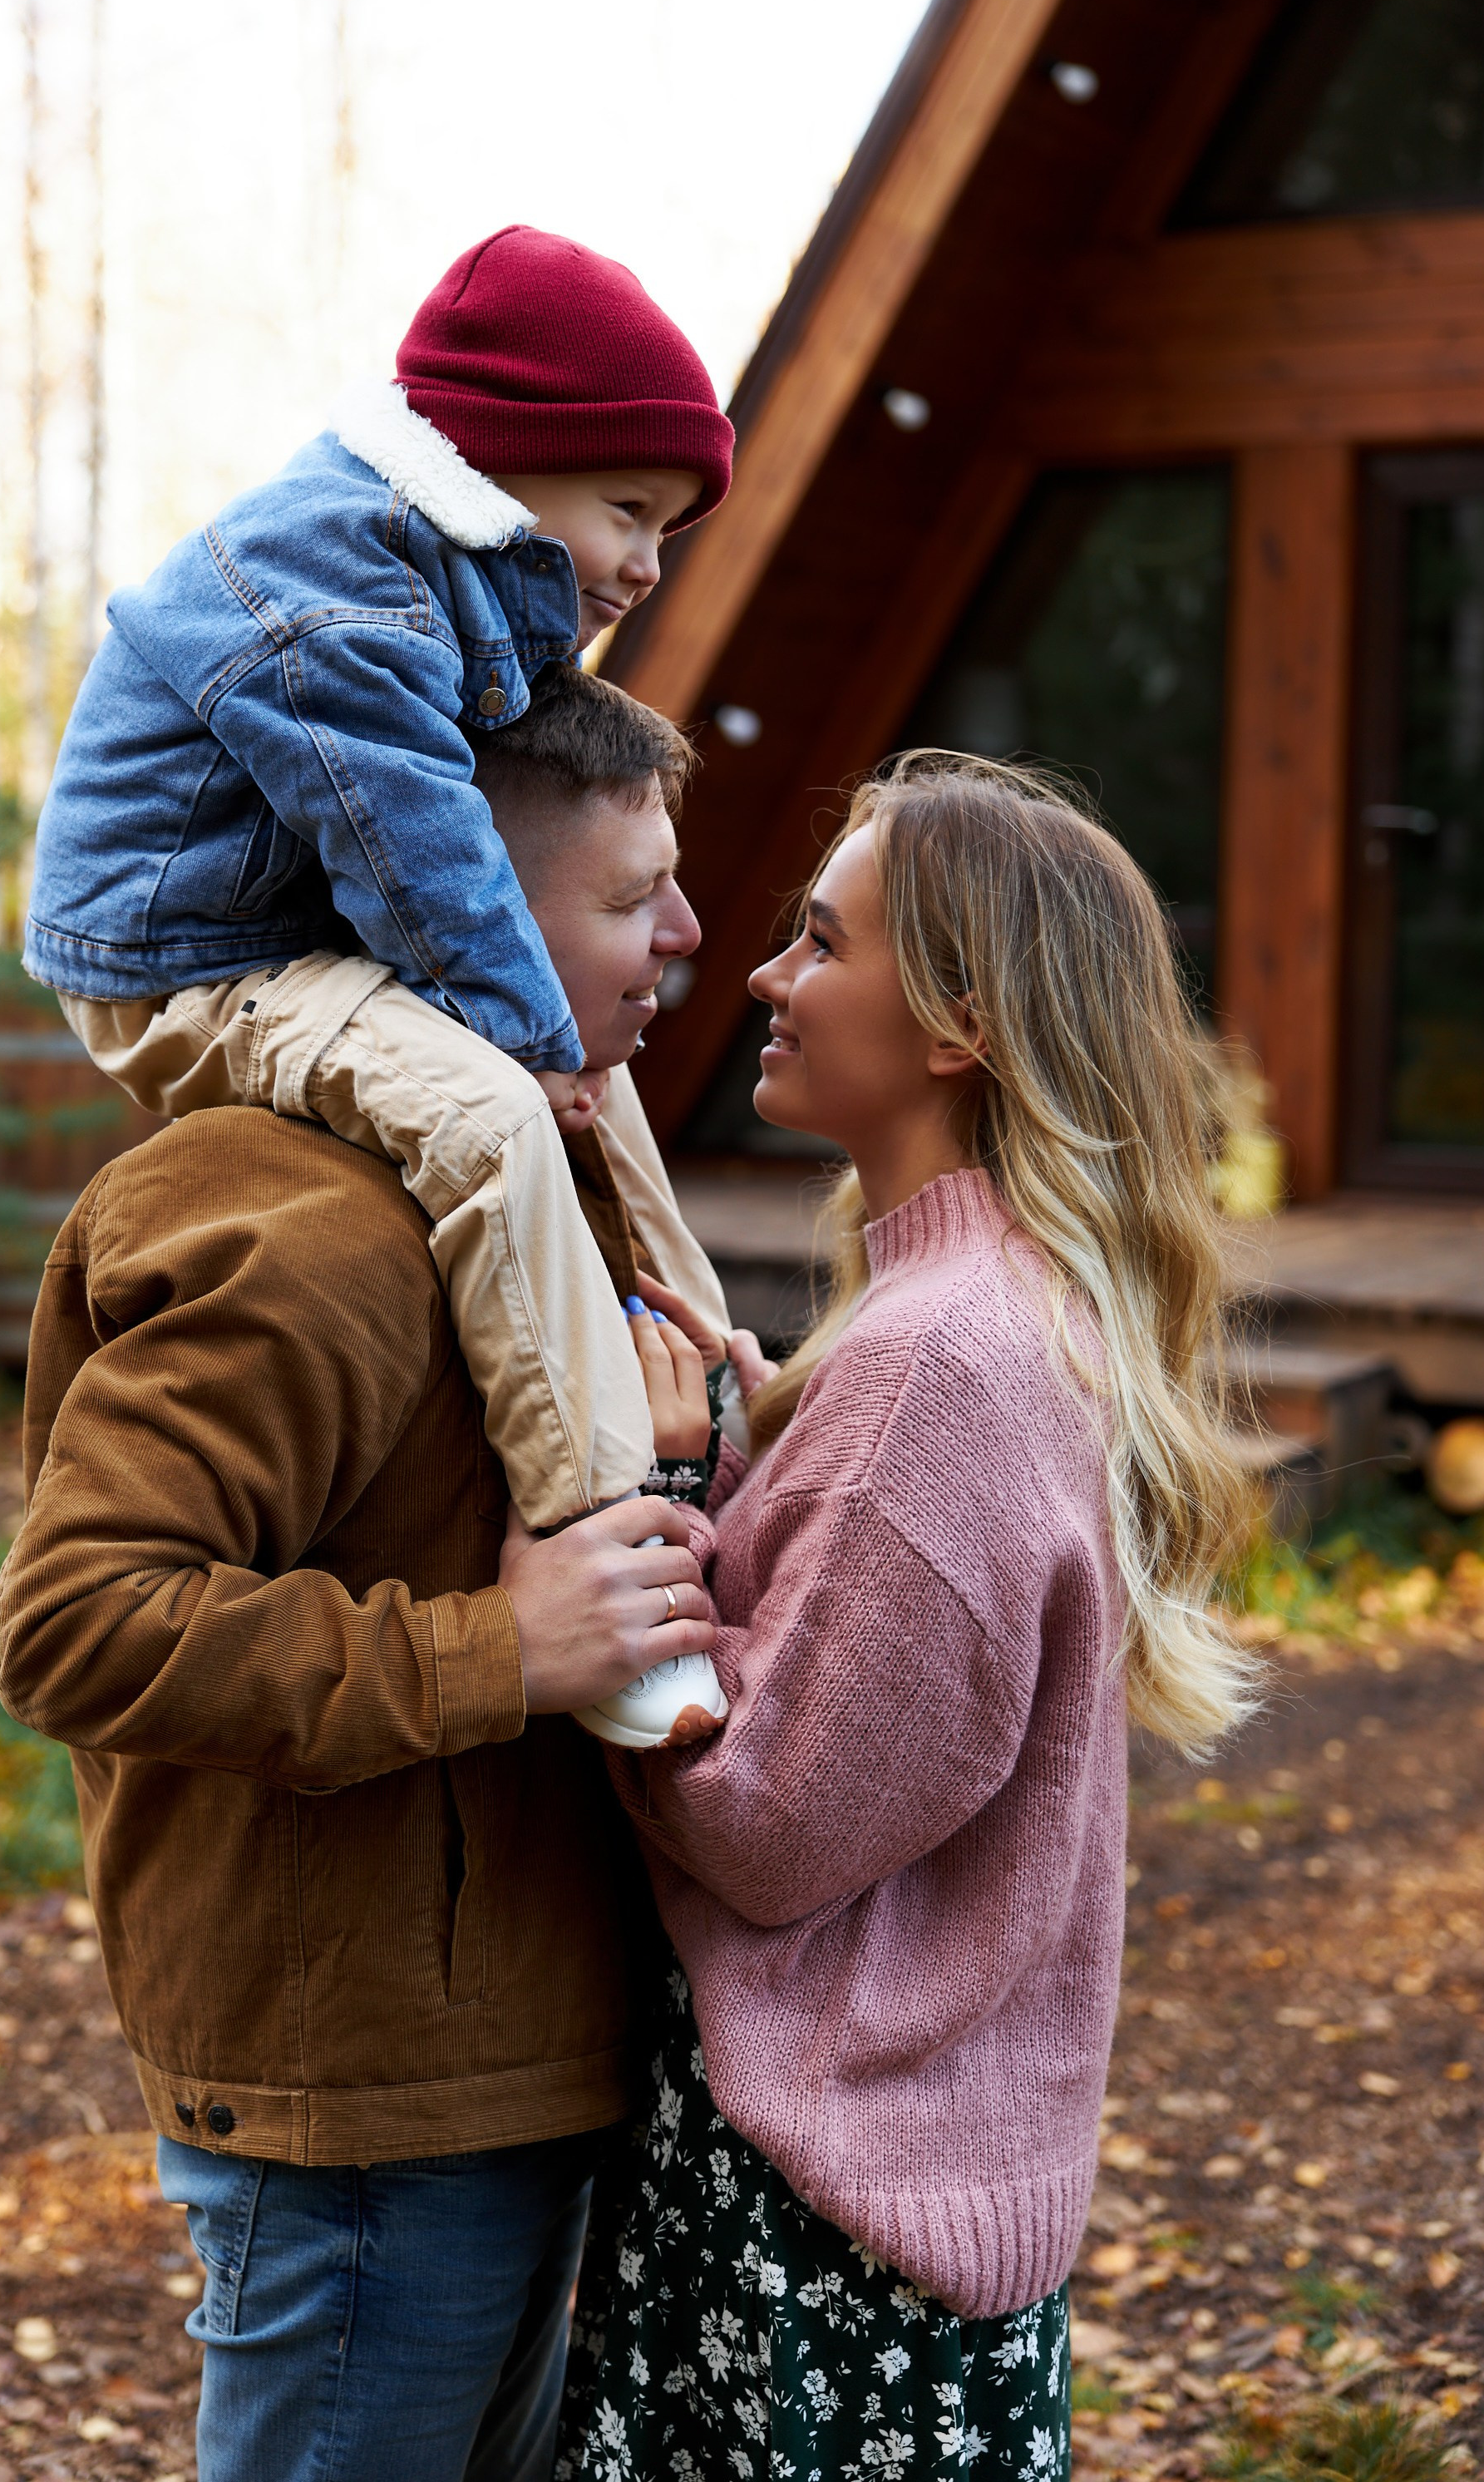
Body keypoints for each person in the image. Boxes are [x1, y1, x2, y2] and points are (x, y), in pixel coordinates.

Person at [0, 678, 734, 2482]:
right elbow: (76, 1622)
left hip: (499, 2063)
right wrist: (500, 1651)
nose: (692, 935)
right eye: (634, 895)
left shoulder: (528, 1180)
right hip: (368, 2120)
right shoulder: (305, 1221)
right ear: (451, 900)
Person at [555, 752, 1264, 2482]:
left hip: (817, 2232)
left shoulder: (934, 1364)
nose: (766, 980)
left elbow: (772, 1818)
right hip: (904, 2203)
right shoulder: (982, 1310)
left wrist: (621, 1553)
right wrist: (734, 1456)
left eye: (820, 943)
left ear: (955, 1021)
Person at [22, 224, 733, 1536]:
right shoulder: (335, 589)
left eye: (666, 529)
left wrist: (562, 1044)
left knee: (589, 1069)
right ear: (502, 465)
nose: (648, 564)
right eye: (628, 514)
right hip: (185, 966)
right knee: (500, 1113)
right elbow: (420, 855)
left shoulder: (438, 569)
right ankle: (607, 1523)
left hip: (289, 934)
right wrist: (528, 1045)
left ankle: (716, 1374)